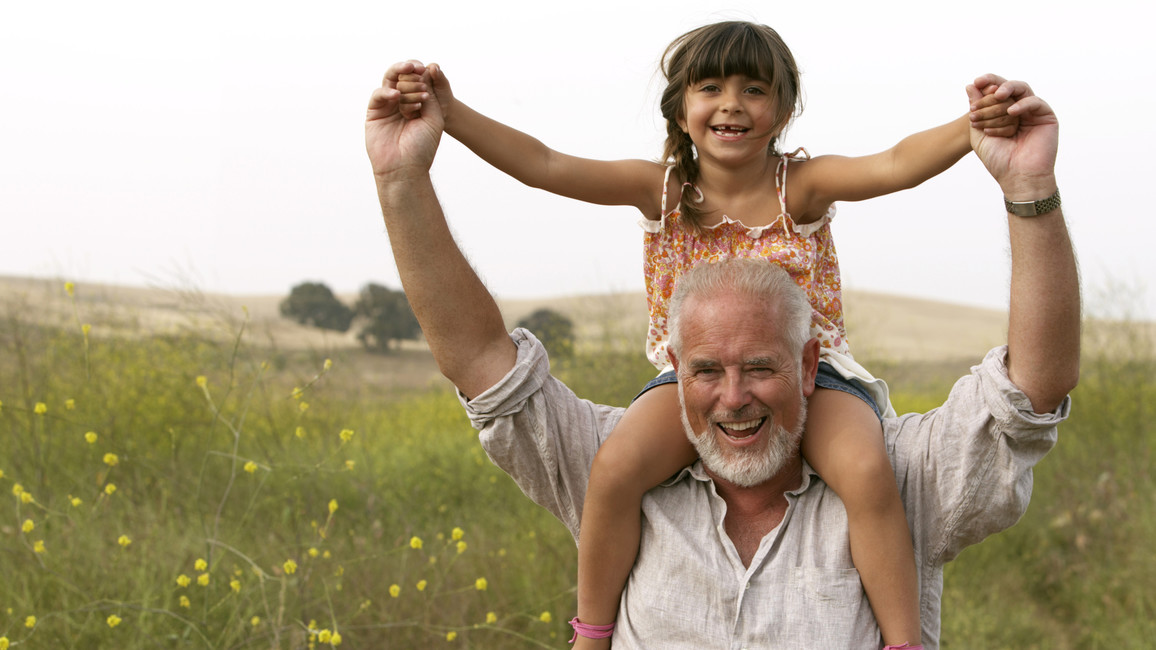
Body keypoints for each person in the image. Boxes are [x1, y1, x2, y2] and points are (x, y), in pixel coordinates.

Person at [366, 64, 1078, 648]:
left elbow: (895, 164)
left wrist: (974, 128)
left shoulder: (799, 186)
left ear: (785, 110)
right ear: (680, 109)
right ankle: (590, 632)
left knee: (865, 469)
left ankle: (901, 641)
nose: (731, 105)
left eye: (755, 89)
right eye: (710, 89)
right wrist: (452, 119)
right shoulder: (664, 190)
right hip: (679, 381)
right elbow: (545, 165)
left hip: (822, 378)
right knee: (612, 466)